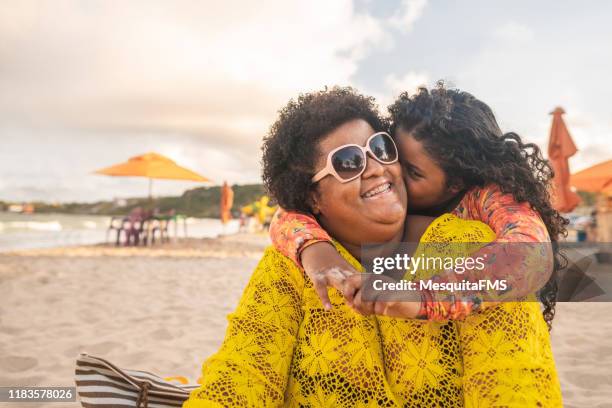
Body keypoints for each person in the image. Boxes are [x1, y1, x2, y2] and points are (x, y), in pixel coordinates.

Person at [268, 83, 564, 406]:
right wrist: (315, 251)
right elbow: (287, 213)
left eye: (412, 172)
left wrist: (423, 297)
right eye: (388, 150)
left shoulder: (483, 201)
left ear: (453, 184)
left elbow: (531, 256)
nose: (384, 170)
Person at [185, 87, 472, 407]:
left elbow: (517, 376)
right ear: (313, 197)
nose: (376, 167)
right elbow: (241, 377)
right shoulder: (287, 269)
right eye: (349, 162)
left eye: (380, 148)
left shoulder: (472, 248)